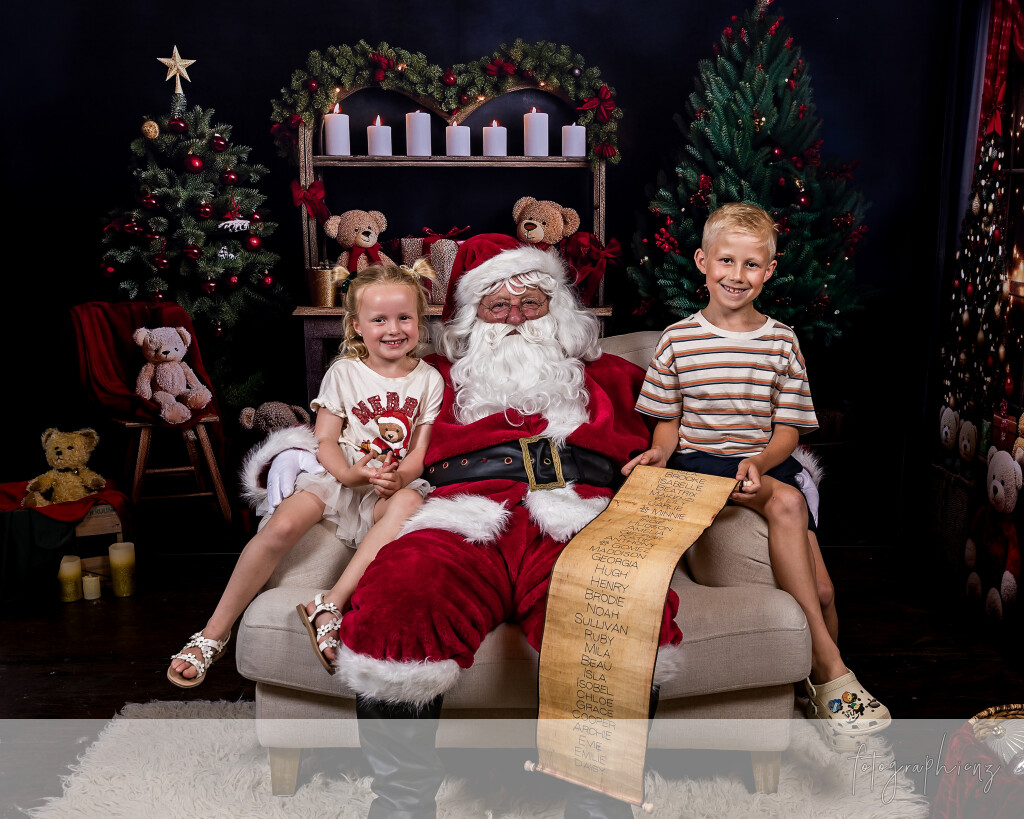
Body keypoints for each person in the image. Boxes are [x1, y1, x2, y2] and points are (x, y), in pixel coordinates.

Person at [258, 234, 677, 818]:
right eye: (498, 305)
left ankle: (599, 808)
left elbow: (701, 431)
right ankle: (402, 806)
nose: (515, 318)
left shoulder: (612, 377)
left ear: (556, 307)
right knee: (401, 593)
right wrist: (295, 456)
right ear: (471, 315)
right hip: (459, 514)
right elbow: (350, 420)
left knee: (618, 605)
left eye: (530, 303)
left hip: (580, 514)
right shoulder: (428, 376)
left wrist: (760, 467)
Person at [624, 201, 890, 749]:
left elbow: (789, 431)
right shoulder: (677, 340)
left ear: (769, 271)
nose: (737, 275)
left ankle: (815, 700)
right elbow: (668, 424)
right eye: (726, 261)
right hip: (699, 467)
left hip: (763, 463)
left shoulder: (781, 342)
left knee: (822, 590)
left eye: (751, 265)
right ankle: (835, 674)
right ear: (703, 262)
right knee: (787, 503)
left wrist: (761, 463)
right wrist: (657, 455)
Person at [167, 261, 444, 687]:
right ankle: (214, 632)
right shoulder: (344, 373)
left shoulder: (428, 380)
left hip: (384, 485)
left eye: (404, 317)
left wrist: (400, 478)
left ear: (419, 321)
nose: (393, 329)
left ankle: (330, 604)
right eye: (379, 320)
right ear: (356, 326)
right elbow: (325, 440)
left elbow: (420, 450)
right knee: (282, 525)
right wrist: (347, 475)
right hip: (338, 474)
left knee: (409, 502)